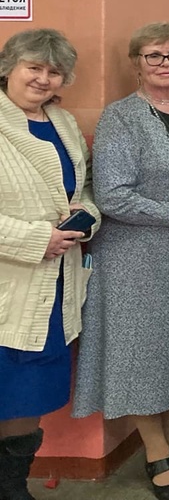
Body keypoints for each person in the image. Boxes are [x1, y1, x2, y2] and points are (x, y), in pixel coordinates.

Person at [73, 21, 169, 500]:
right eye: (154, 55)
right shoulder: (120, 117)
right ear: (136, 63)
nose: (166, 63)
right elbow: (111, 194)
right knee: (140, 356)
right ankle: (155, 450)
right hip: (132, 258)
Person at [0, 30, 99, 500]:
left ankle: (12, 486)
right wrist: (37, 239)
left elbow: (84, 190)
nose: (43, 79)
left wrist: (86, 218)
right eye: (33, 67)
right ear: (9, 68)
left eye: (54, 71)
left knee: (31, 395)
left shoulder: (62, 123)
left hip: (54, 285)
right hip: (10, 281)